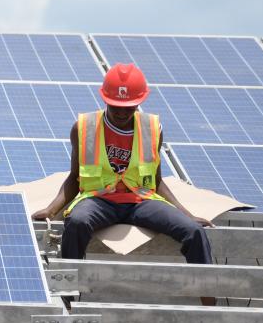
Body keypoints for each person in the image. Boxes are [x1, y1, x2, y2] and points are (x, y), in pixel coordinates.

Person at [33, 63, 215, 273]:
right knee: (76, 222)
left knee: (193, 232)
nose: (121, 112)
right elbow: (75, 177)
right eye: (115, 106)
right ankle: (69, 295)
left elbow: (156, 180)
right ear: (105, 100)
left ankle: (209, 299)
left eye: (129, 107)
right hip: (98, 201)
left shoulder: (152, 128)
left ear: (139, 103)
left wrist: (187, 214)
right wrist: (51, 209)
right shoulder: (84, 128)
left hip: (141, 201)